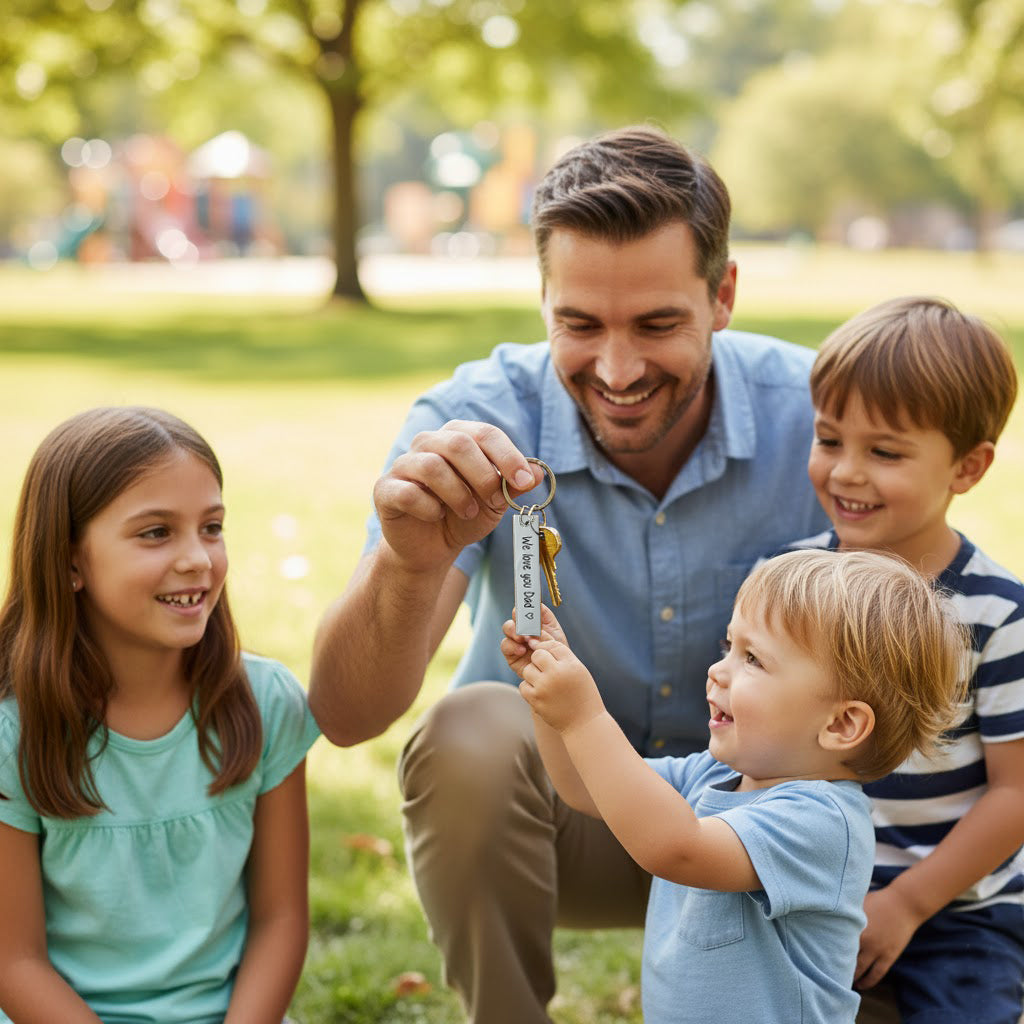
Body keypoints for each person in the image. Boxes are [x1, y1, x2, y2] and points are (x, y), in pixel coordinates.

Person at [309, 125, 828, 1023]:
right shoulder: (472, 423)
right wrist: (407, 560)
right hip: (561, 827)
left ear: (724, 295)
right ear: (543, 299)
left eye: (658, 324)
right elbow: (349, 717)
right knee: (469, 726)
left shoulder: (822, 422)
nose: (617, 371)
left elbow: (926, 676)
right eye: (579, 326)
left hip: (774, 838)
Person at [500, 548, 967, 1024]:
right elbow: (583, 787)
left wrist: (583, 717)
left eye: (753, 660)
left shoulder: (821, 821)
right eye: (729, 647)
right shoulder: (712, 775)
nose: (718, 670)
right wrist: (547, 692)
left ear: (842, 723)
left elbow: (675, 848)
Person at [0, 407, 320, 1024]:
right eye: (156, 533)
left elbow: (280, 918)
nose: (198, 558)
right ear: (69, 562)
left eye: (212, 527)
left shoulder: (266, 702)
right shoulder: (14, 732)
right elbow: (14, 961)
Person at [776, 296, 1024, 1024]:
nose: (846, 473)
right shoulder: (790, 586)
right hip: (810, 890)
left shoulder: (997, 614)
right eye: (829, 439)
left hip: (956, 906)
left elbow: (1015, 795)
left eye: (884, 452)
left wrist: (908, 904)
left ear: (968, 468)